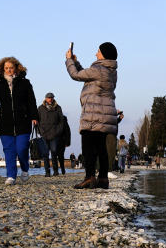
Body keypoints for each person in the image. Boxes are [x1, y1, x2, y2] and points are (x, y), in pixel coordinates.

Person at [66, 41, 119, 189]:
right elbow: (87, 75)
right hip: (105, 115)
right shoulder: (110, 71)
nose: (96, 53)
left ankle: (89, 177)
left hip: (93, 115)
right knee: (101, 148)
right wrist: (76, 62)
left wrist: (69, 60)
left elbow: (76, 75)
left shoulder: (98, 69)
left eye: (98, 51)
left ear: (103, 54)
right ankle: (102, 178)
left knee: (88, 147)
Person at [0, 56, 39, 185]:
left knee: (22, 148)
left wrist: (34, 117)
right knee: (9, 150)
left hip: (23, 122)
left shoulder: (25, 83)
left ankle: (25, 169)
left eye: (11, 68)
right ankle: (11, 176)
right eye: (6, 68)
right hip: (5, 123)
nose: (9, 70)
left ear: (16, 68)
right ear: (2, 69)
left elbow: (31, 101)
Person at [37, 92, 65, 176]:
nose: (50, 99)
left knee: (54, 152)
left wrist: (58, 131)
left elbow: (61, 121)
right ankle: (47, 172)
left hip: (54, 134)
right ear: (45, 98)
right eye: (49, 97)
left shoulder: (58, 108)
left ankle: (55, 171)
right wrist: (40, 131)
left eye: (51, 97)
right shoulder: (40, 108)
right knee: (45, 153)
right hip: (44, 134)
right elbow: (37, 121)